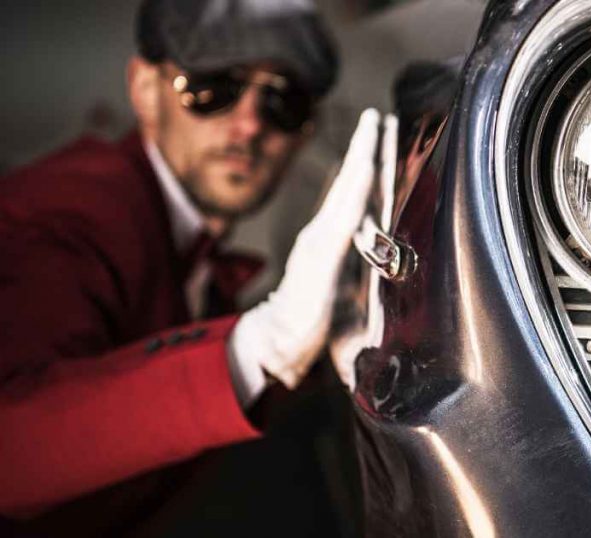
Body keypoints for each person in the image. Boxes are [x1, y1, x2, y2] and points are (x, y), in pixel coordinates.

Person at [0, 0, 395, 524]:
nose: (249, 125)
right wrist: (262, 345)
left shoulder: (197, 265)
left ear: (303, 132)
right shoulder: (71, 214)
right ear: (145, 89)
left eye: (283, 101)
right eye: (212, 88)